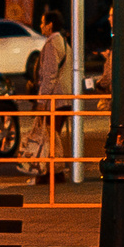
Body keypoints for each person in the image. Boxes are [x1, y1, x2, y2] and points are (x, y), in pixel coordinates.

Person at [21, 10, 71, 182]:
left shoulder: (51, 44)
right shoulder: (63, 43)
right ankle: (55, 174)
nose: (41, 26)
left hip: (54, 100)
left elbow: (49, 75)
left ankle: (49, 175)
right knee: (53, 137)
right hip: (64, 98)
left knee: (49, 137)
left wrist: (42, 101)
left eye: (43, 23)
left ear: (50, 25)